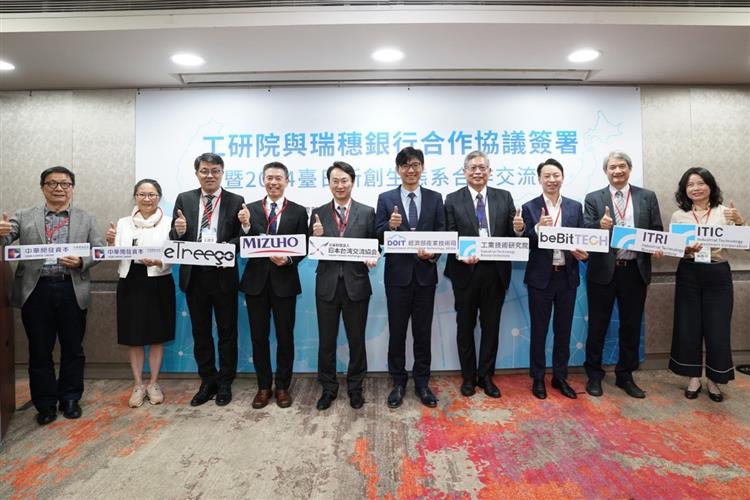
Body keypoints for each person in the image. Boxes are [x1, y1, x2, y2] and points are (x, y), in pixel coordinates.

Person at [0, 166, 104, 425]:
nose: (59, 188)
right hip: (36, 290)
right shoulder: (23, 216)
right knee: (39, 350)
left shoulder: (87, 218)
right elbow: (5, 241)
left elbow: (100, 250)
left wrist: (82, 261)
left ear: (72, 188)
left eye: (65, 184)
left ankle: (70, 398)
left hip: (72, 288)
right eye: (52, 183)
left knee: (73, 348)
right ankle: (45, 403)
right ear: (43, 187)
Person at [444, 150, 525, 398]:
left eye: (482, 167)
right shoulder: (452, 199)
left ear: (490, 171)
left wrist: (519, 230)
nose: (478, 172)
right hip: (465, 271)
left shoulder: (504, 197)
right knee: (465, 327)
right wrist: (460, 253)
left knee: (491, 327)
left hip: (495, 272)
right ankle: (468, 378)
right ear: (465, 172)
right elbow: (450, 234)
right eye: (473, 168)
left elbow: (513, 236)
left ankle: (486, 377)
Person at [583, 150, 663, 399]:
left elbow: (656, 229)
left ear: (629, 169)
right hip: (603, 273)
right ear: (605, 172)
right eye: (612, 167)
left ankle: (625, 375)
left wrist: (659, 246)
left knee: (630, 326)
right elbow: (585, 230)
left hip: (634, 272)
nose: (617, 171)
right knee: (598, 326)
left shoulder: (646, 197)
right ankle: (594, 375)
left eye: (621, 167)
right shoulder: (593, 198)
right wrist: (600, 226)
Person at [170, 152, 245, 407]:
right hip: (195, 277)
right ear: (197, 173)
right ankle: (207, 381)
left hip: (223, 276)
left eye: (215, 170)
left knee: (227, 332)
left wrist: (226, 245)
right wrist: (178, 231)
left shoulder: (236, 201)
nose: (210, 175)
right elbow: (175, 235)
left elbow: (242, 240)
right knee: (200, 332)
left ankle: (225, 382)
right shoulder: (185, 199)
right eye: (204, 170)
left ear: (222, 173)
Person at [375, 147, 445, 409]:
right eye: (405, 165)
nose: (411, 170)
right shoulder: (385, 198)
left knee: (423, 333)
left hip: (426, 276)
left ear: (422, 167)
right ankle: (398, 382)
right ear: (398, 169)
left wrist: (434, 254)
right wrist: (389, 227)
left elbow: (443, 233)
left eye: (415, 164)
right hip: (397, 277)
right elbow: (377, 234)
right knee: (397, 333)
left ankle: (422, 383)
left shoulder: (435, 198)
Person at [669, 167, 744, 402]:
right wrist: (685, 249)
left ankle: (714, 379)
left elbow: (745, 244)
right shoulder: (678, 216)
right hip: (689, 273)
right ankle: (693, 377)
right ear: (685, 190)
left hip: (717, 273)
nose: (696, 188)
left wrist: (741, 224)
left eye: (700, 183)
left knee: (717, 328)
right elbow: (674, 248)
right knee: (688, 326)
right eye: (690, 184)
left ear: (710, 186)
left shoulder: (726, 213)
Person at [238, 162, 308, 409]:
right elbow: (242, 243)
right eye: (269, 178)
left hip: (285, 282)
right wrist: (246, 226)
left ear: (287, 181)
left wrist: (288, 259)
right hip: (256, 283)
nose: (274, 182)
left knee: (285, 337)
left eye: (279, 178)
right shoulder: (249, 209)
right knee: (259, 338)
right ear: (263, 180)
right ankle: (263, 387)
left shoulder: (299, 212)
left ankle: (282, 387)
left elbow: (304, 246)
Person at [310, 161, 377, 411]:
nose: (339, 185)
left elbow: (375, 245)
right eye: (335, 181)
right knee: (326, 341)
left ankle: (355, 388)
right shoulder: (317, 213)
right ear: (329, 184)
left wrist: (374, 255)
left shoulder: (367, 212)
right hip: (327, 285)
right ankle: (328, 388)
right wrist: (314, 236)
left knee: (356, 340)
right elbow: (310, 248)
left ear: (352, 182)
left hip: (356, 285)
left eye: (344, 181)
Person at [521, 159, 588, 400]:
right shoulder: (529, 207)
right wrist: (538, 228)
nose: (552, 180)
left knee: (564, 331)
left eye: (556, 175)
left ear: (562, 177)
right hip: (541, 279)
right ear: (539, 179)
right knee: (539, 331)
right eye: (547, 176)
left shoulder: (574, 207)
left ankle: (560, 377)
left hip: (567, 278)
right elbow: (524, 243)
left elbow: (582, 239)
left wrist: (584, 253)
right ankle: (538, 378)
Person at [106, 179, 175, 408]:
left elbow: (175, 254)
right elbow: (116, 253)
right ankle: (138, 384)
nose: (147, 198)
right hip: (130, 280)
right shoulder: (123, 223)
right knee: (133, 336)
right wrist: (110, 243)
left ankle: (154, 383)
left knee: (157, 335)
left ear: (159, 197)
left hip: (159, 280)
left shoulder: (170, 222)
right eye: (142, 194)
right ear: (135, 196)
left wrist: (159, 261)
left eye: (152, 194)